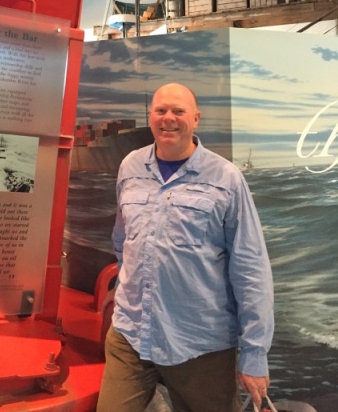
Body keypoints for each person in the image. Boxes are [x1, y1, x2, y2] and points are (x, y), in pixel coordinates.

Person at [97, 83, 274, 412]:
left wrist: (254, 354)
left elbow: (251, 270)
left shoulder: (226, 179)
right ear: (150, 117)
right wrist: (128, 286)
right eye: (160, 110)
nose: (168, 119)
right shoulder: (130, 168)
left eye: (178, 111)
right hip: (130, 336)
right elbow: (123, 240)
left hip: (199, 346)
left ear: (196, 119)